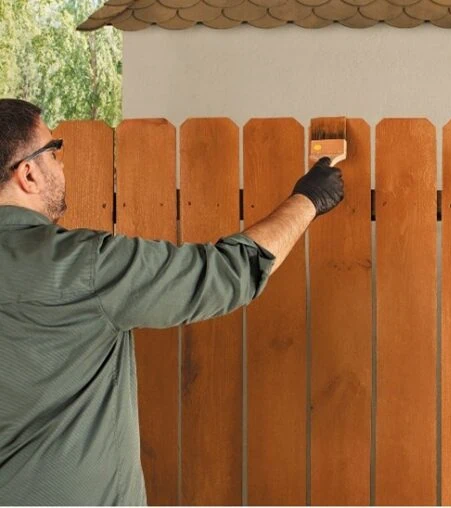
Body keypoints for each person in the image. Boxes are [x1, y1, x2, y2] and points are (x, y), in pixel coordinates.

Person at [0, 98, 344, 505]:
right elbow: (224, 274)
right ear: (28, 174)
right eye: (54, 151)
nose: (62, 164)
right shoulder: (83, 267)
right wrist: (308, 199)